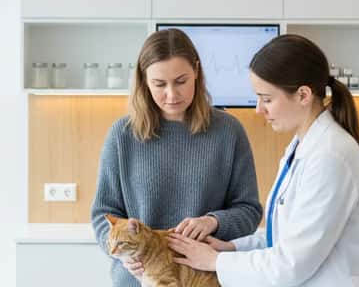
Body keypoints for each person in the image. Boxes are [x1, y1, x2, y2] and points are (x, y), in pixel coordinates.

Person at [167, 34, 359, 287]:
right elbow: (281, 238)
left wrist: (215, 261)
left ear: (303, 95)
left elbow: (290, 264)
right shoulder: (303, 148)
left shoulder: (330, 157)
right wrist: (230, 248)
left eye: (267, 99)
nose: (259, 109)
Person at [90, 29, 263, 287]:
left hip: (204, 280)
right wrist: (124, 256)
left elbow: (249, 211)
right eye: (159, 84)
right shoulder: (122, 135)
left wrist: (213, 221)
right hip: (136, 280)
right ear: (144, 81)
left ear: (196, 71)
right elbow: (104, 213)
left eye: (181, 81)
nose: (172, 94)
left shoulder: (228, 132)